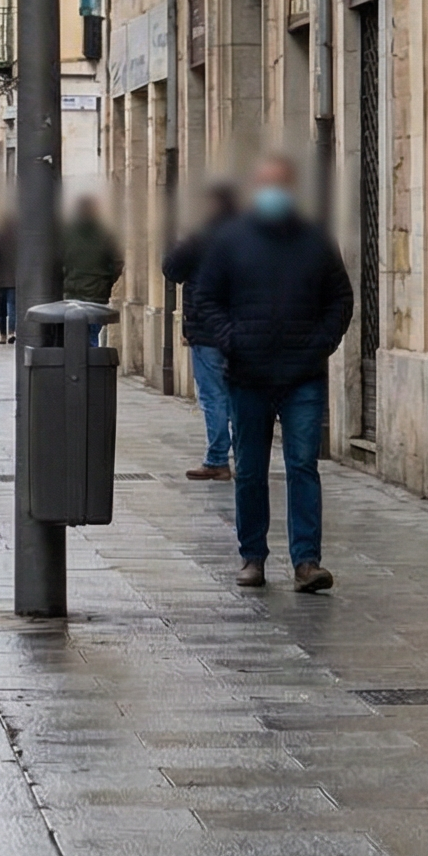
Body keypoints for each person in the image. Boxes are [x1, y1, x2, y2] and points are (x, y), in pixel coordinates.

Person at [187, 157, 353, 594]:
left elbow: (340, 298)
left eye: (279, 185)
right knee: (251, 470)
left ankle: (307, 561)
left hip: (304, 375)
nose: (272, 193)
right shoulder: (231, 239)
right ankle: (253, 557)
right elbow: (205, 297)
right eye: (265, 185)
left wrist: (320, 343)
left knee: (302, 465)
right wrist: (231, 338)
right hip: (248, 375)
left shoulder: (316, 239)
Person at [164, 184, 242, 482]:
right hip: (241, 328)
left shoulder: (201, 235)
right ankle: (244, 457)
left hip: (208, 328)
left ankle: (217, 460)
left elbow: (172, 268)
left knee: (213, 396)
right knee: (237, 395)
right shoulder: (247, 235)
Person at [61, 195, 124, 343]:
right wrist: (107, 280)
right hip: (97, 293)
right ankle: (91, 365)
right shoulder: (106, 234)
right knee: (91, 337)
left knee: (74, 339)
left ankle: (77, 365)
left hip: (72, 294)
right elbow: (118, 262)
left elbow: (58, 260)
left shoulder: (68, 233)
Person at [0, 209, 19, 346]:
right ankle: (12, 332)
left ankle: (3, 335)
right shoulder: (15, 240)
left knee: (1, 309)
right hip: (12, 279)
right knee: (11, 307)